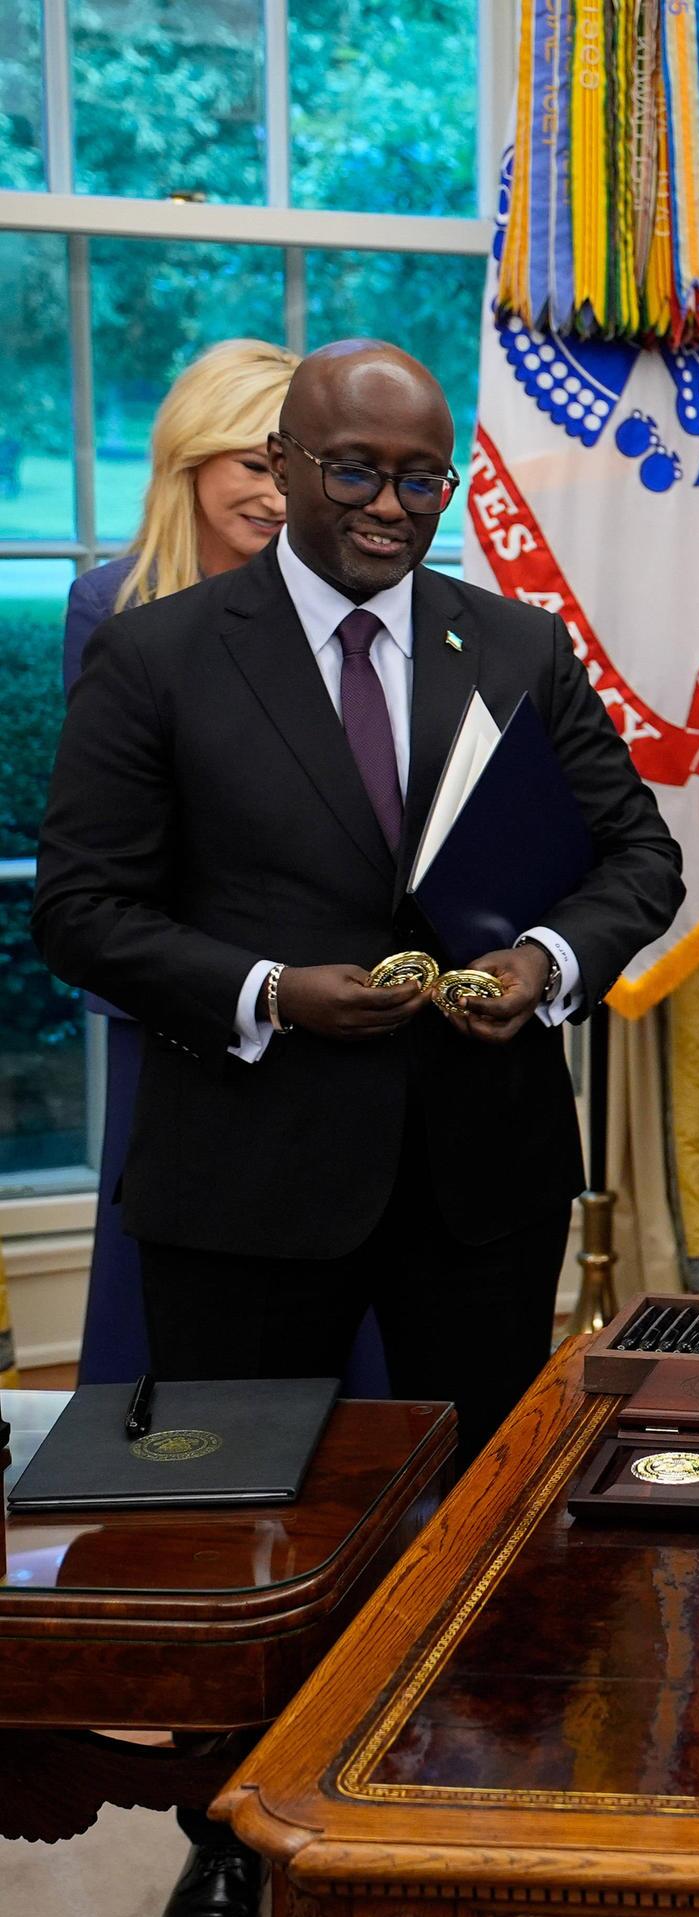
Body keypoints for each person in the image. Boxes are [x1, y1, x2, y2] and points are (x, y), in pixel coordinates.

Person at [32, 339, 682, 1917]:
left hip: (480, 1172)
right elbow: (84, 910)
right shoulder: (165, 654)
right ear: (287, 463)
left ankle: (452, 1800)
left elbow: (637, 856)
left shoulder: (513, 645)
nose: (393, 506)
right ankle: (231, 1832)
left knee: (477, 1523)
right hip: (246, 1179)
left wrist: (544, 961)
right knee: (242, 1532)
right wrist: (266, 992)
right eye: (355, 471)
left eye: (420, 477)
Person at [58, 338, 304, 1393]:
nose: (275, 496)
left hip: (318, 987)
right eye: (251, 464)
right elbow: (110, 837)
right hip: (173, 989)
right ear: (190, 459)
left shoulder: (329, 605)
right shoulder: (110, 606)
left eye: (289, 467)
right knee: (164, 1276)